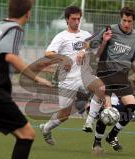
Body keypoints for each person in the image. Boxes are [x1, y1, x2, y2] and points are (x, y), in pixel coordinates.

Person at [0, 0, 51, 158]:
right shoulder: (15, 29)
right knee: (26, 134)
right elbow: (10, 57)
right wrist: (36, 78)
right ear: (28, 13)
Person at [82, 7, 135, 154]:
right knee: (107, 110)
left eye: (129, 21)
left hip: (122, 76)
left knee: (130, 107)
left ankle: (112, 136)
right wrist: (82, 51)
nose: (126, 24)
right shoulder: (110, 29)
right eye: (124, 20)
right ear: (121, 18)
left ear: (133, 21)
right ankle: (97, 142)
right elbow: (91, 42)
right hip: (106, 73)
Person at [39, 6, 107, 145]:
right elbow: (48, 53)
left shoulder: (85, 34)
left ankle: (88, 122)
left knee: (101, 88)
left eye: (78, 19)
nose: (76, 21)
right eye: (73, 19)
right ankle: (46, 128)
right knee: (64, 115)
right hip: (67, 80)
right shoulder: (61, 36)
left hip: (84, 76)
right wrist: (64, 58)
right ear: (67, 20)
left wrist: (103, 41)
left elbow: (93, 49)